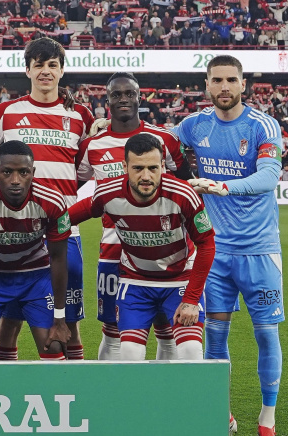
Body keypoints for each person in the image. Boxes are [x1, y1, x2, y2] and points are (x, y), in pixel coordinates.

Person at [0, 37, 93, 361]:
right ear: (27, 70)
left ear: (62, 71)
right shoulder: (8, 112)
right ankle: (7, 379)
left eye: (52, 65)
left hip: (63, 230)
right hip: (11, 229)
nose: (46, 71)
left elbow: (88, 164)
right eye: (39, 65)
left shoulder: (79, 114)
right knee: (11, 317)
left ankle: (74, 384)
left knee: (67, 323)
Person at [175, 55, 285, 436]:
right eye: (217, 80)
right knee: (216, 336)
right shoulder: (194, 124)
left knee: (266, 334)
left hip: (260, 251)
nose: (224, 87)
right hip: (215, 253)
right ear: (206, 85)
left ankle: (266, 422)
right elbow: (157, 144)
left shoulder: (262, 125)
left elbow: (269, 176)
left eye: (231, 80)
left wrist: (223, 187)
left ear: (243, 85)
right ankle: (222, 413)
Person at [70, 133, 215, 361]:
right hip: (136, 281)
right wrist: (35, 226)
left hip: (180, 279)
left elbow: (207, 244)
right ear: (124, 167)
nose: (146, 176)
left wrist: (191, 299)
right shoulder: (108, 193)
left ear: (162, 166)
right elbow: (66, 218)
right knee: (129, 353)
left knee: (190, 351)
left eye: (152, 168)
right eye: (138, 168)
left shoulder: (183, 194)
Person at [75, 72, 188, 361]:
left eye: (130, 93)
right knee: (112, 332)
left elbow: (186, 186)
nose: (123, 99)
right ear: (107, 100)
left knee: (166, 329)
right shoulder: (92, 146)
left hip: (160, 249)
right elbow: (70, 186)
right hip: (113, 250)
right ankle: (112, 391)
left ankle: (163, 389)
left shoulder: (164, 139)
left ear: (140, 98)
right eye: (116, 94)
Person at [0, 140, 70, 361]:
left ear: (33, 172)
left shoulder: (52, 200)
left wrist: (60, 319)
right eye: (7, 172)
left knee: (54, 345)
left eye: (23, 172)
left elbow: (58, 259)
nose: (15, 180)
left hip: (35, 277)